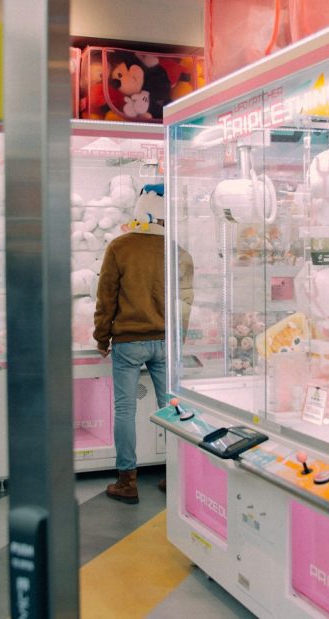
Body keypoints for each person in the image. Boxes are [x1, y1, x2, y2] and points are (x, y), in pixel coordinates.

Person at [94, 184, 193, 504]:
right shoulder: (177, 251)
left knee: (125, 409)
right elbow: (186, 300)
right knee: (173, 409)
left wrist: (101, 336)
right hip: (165, 340)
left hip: (128, 341)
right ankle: (176, 472)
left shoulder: (119, 247)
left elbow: (106, 297)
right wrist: (179, 337)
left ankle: (127, 479)